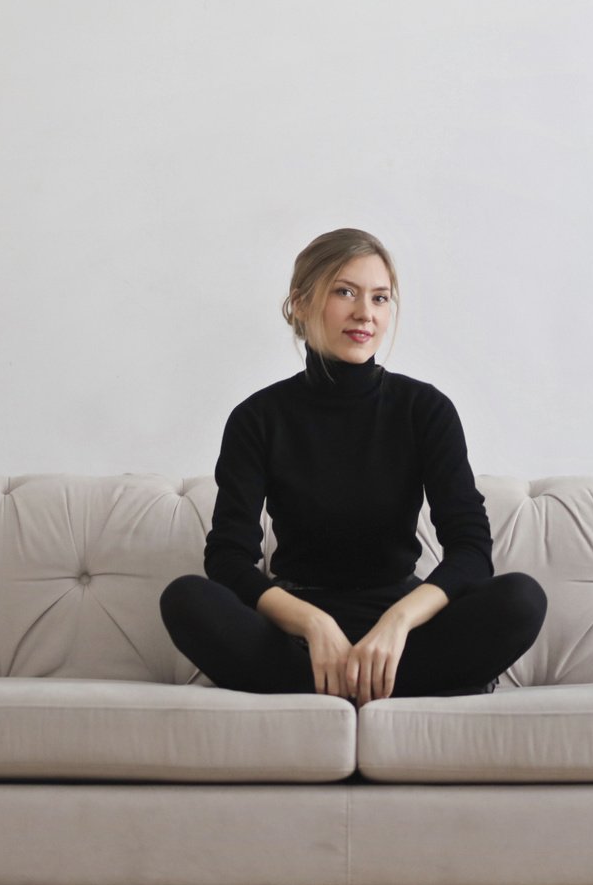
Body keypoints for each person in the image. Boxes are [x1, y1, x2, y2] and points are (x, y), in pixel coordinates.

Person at [160, 227, 547, 704]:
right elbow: (228, 559)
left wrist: (398, 621)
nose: (365, 313)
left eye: (380, 298)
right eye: (345, 292)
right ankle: (381, 689)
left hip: (400, 626)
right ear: (300, 304)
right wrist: (313, 622)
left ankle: (328, 689)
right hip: (295, 629)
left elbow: (470, 551)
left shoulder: (424, 409)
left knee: (522, 600)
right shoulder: (257, 418)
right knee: (186, 599)